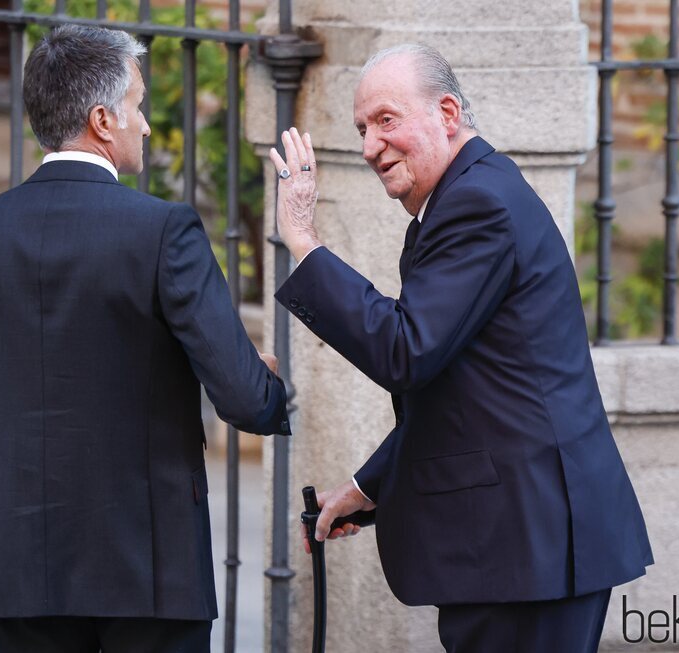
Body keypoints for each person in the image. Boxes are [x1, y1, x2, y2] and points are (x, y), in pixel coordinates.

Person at [268, 44, 652, 653]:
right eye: (363, 129)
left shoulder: (478, 203)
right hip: (526, 547)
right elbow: (464, 388)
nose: (370, 146)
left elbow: (406, 349)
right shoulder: (467, 195)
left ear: (447, 112)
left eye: (386, 121)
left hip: (531, 548)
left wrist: (304, 240)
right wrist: (370, 486)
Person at [0, 25, 289, 653]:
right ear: (102, 118)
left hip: (13, 577)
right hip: (150, 576)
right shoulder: (164, 230)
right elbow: (245, 398)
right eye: (138, 106)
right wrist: (266, 381)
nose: (144, 124)